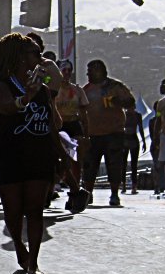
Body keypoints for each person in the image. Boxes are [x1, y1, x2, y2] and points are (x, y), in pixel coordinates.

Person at [0, 34, 60, 274]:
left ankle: (34, 261)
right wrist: (27, 97)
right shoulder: (3, 85)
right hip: (10, 153)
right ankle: (20, 247)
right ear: (20, 57)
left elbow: (54, 116)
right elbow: (5, 107)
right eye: (33, 52)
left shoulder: (43, 84)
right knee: (13, 210)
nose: (39, 56)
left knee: (35, 209)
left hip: (39, 153)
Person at [81, 60, 135, 206]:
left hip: (114, 132)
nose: (89, 73)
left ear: (101, 71)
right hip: (92, 133)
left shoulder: (115, 86)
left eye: (92, 70)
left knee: (114, 164)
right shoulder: (86, 89)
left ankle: (114, 194)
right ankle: (88, 193)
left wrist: (119, 102)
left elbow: (131, 102)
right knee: (89, 166)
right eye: (88, 70)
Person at [54, 60, 89, 209]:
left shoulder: (77, 90)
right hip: (58, 126)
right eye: (64, 70)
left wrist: (86, 134)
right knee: (60, 160)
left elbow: (83, 113)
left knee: (76, 161)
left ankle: (75, 192)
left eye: (69, 70)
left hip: (73, 125)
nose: (67, 73)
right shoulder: (53, 90)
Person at [121, 107, 146, 194]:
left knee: (133, 164)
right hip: (126, 138)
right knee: (124, 163)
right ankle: (124, 185)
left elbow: (141, 128)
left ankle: (133, 186)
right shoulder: (124, 114)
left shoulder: (136, 115)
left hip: (132, 138)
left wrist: (144, 141)